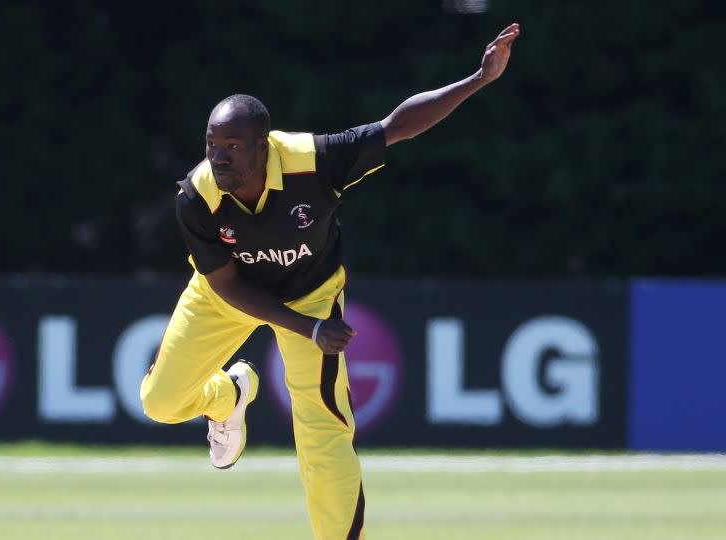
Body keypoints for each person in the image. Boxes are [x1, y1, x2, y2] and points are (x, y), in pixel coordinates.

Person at [140, 23, 520, 540]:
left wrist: (478, 77)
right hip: (227, 296)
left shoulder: (313, 162)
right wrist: (307, 329)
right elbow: (227, 285)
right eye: (211, 144)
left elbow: (396, 127)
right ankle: (227, 397)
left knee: (323, 432)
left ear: (264, 147)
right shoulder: (197, 196)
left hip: (312, 292)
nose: (218, 156)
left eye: (232, 145)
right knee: (159, 403)